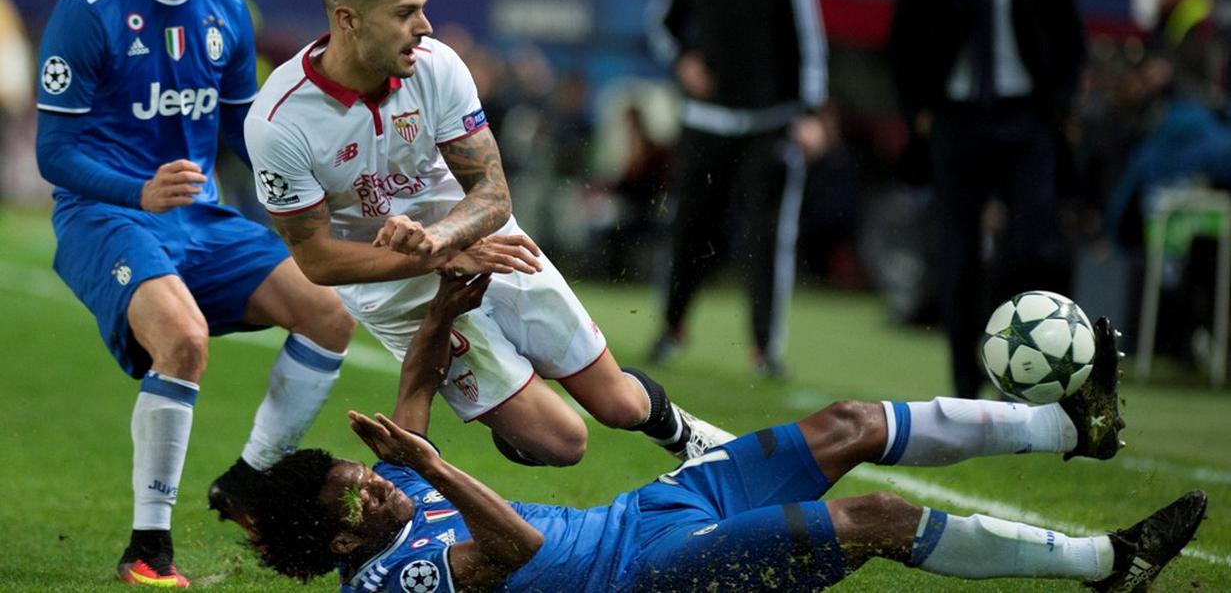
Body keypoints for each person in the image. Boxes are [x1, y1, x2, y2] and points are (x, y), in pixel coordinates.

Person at [243, 275, 1206, 592]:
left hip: (657, 507)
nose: (371, 484)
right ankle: (1105, 562)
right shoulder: (387, 578)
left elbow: (412, 390)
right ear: (336, 543)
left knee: (852, 425)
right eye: (355, 495)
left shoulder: (386, 496)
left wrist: (446, 309)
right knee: (871, 518)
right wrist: (434, 471)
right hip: (650, 572)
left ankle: (1068, 427)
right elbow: (514, 548)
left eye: (357, 476)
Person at [244, 0, 731, 474]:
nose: (424, 26)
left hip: (487, 245)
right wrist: (435, 259)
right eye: (405, 13)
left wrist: (443, 239)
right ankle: (515, 415)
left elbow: (494, 192)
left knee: (619, 405)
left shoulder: (438, 66)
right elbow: (318, 261)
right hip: (396, 291)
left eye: (422, 8)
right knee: (564, 443)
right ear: (348, 19)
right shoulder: (278, 122)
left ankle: (684, 434)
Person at [32, 0, 361, 587]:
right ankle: (148, 548)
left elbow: (248, 133)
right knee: (183, 339)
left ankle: (248, 480)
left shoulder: (227, 8)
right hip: (106, 215)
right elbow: (53, 152)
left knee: (328, 312)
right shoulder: (88, 11)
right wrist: (137, 191)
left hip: (201, 219)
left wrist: (320, 183)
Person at [888, 0, 1087, 398]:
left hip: (1026, 119)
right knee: (957, 254)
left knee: (1029, 247)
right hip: (955, 119)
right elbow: (903, 37)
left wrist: (1058, 109)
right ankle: (962, 381)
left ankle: (1016, 371)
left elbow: (1070, 35)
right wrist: (920, 113)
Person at [644, 0, 830, 377]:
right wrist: (684, 60)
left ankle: (765, 349)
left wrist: (810, 112)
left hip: (769, 125)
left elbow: (808, 43)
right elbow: (660, 26)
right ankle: (670, 328)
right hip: (705, 125)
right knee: (689, 229)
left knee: (767, 239)